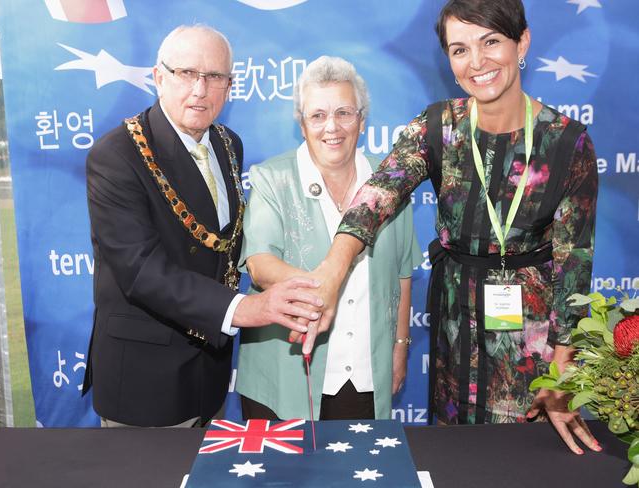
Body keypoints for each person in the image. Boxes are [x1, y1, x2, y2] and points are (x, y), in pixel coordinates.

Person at [296, 0, 601, 454]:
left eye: (491, 42)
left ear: (523, 42)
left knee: (524, 463)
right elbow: (379, 194)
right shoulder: (438, 126)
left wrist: (560, 374)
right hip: (454, 331)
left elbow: (574, 266)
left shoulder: (567, 142)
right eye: (460, 50)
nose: (476, 63)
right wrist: (335, 267)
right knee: (457, 460)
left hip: (531, 349)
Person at [82, 25, 322, 428]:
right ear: (159, 77)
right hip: (145, 378)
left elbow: (223, 244)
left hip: (209, 370)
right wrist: (246, 307)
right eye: (186, 73)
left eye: (215, 77)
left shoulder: (229, 143)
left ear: (230, 86)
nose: (200, 89)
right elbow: (141, 272)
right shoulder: (115, 156)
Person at [234, 56, 421, 421]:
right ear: (302, 125)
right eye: (317, 115)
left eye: (344, 113)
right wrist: (327, 285)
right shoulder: (273, 178)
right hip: (284, 375)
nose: (331, 127)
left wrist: (400, 347)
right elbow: (259, 265)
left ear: (362, 121)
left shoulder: (391, 184)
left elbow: (402, 274)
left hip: (366, 375)